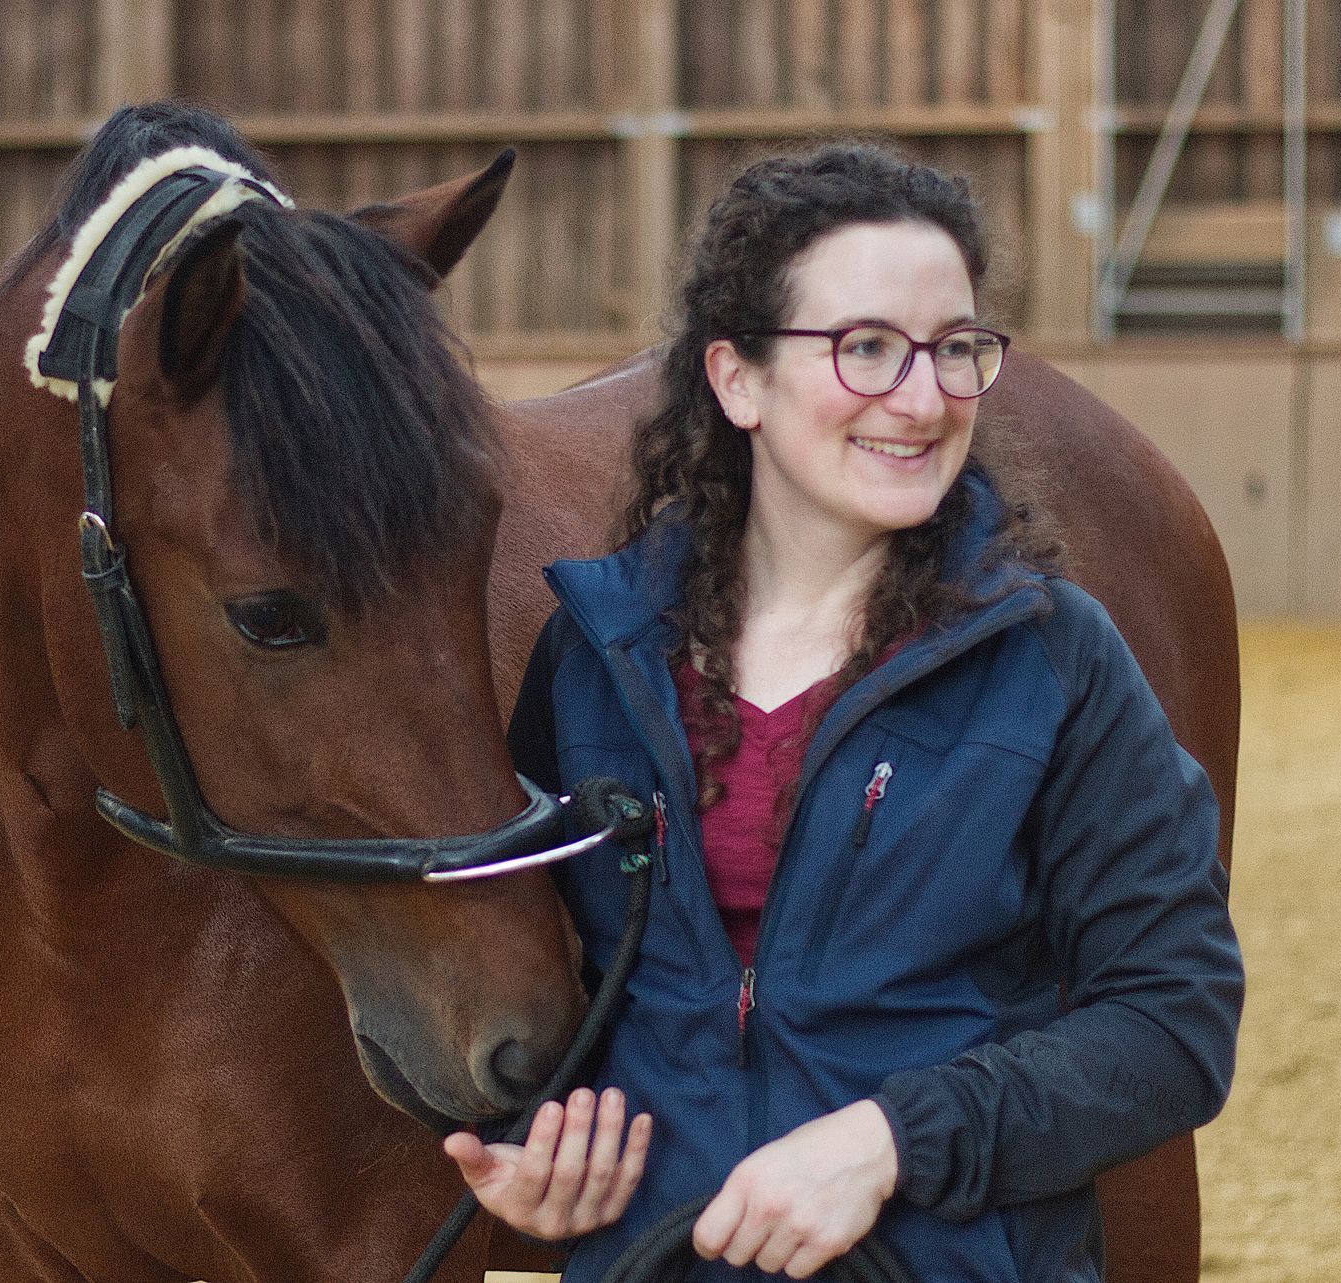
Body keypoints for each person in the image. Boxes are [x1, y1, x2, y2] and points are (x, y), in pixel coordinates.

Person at [442, 141, 1245, 1281]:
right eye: (866, 348)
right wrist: (541, 1147)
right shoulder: (598, 655)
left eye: (955, 350)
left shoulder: (1054, 663)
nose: (922, 399)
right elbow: (530, 977)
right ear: (738, 380)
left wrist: (889, 1143)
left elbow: (1175, 1021)